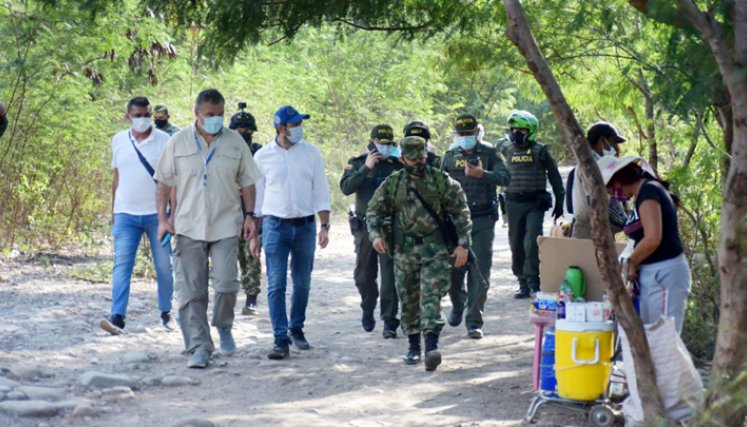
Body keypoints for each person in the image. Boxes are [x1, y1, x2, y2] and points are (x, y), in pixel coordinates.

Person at [155, 88, 260, 368]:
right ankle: (199, 346)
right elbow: (163, 182)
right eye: (210, 115)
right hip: (188, 224)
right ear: (197, 113)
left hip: (226, 223)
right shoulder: (176, 143)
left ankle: (223, 324)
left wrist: (250, 215)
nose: (215, 119)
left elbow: (248, 181)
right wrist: (163, 220)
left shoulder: (235, 143)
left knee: (227, 283)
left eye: (220, 114)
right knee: (192, 291)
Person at [366, 136, 472, 372]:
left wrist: (463, 244)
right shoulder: (393, 183)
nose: (418, 163)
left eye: (421, 158)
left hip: (435, 249)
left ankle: (431, 347)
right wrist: (375, 234)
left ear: (427, 155)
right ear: (402, 158)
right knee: (409, 298)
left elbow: (461, 211)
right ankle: (414, 347)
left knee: (431, 296)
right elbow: (373, 209)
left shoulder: (441, 180)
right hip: (404, 250)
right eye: (412, 159)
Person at [253, 105, 331, 360]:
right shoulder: (263, 157)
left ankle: (296, 328)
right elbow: (257, 199)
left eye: (300, 124)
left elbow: (321, 190)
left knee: (302, 282)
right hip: (275, 226)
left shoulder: (311, 153)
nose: (299, 129)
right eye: (294, 124)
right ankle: (280, 338)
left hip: (306, 226)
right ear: (281, 128)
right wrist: (254, 233)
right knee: (276, 282)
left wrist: (325, 226)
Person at [100, 96, 174, 335]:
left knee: (164, 265)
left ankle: (166, 311)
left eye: (146, 115)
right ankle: (117, 315)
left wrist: (171, 216)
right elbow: (117, 177)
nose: (142, 120)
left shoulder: (164, 141)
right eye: (137, 115)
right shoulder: (119, 140)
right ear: (127, 117)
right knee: (122, 265)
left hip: (157, 215)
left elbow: (172, 180)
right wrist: (113, 211)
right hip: (125, 214)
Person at [599, 155, 690, 333]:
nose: (612, 195)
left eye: (610, 190)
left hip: (664, 274)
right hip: (652, 275)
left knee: (663, 339)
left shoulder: (649, 191)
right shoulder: (641, 195)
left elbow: (653, 238)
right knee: (653, 339)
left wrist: (632, 261)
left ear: (616, 181)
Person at [441, 114, 511, 338]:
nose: (464, 138)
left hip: (482, 218)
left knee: (479, 269)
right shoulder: (449, 156)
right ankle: (458, 304)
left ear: (476, 133)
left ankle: (474, 320)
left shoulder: (490, 154)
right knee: (453, 269)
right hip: (454, 222)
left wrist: (483, 174)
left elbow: (505, 177)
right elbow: (438, 186)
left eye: (468, 134)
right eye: (460, 134)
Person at [340, 124, 402, 338]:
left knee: (389, 276)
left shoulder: (397, 164)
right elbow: (346, 188)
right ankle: (368, 307)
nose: (384, 147)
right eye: (380, 143)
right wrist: (366, 168)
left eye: (388, 143)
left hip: (389, 227)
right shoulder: (357, 162)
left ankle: (389, 321)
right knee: (364, 275)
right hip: (365, 227)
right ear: (371, 142)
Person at [496, 110, 564, 299]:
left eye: (522, 129)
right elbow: (495, 145)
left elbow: (556, 178)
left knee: (531, 243)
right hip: (512, 203)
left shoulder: (541, 151)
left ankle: (534, 282)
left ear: (532, 131)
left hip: (534, 203)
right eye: (514, 129)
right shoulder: (506, 148)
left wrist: (560, 203)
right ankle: (522, 283)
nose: (516, 132)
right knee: (516, 244)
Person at [229, 107, 263, 315]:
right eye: (239, 128)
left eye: (247, 129)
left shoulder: (259, 152)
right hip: (228, 211)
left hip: (252, 211)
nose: (243, 132)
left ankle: (251, 298)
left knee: (251, 256)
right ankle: (227, 297)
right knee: (226, 256)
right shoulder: (224, 150)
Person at [569, 122, 628, 239]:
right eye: (613, 142)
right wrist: (625, 220)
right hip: (587, 230)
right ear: (602, 141)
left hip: (602, 228)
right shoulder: (589, 165)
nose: (616, 148)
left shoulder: (601, 163)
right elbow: (596, 200)